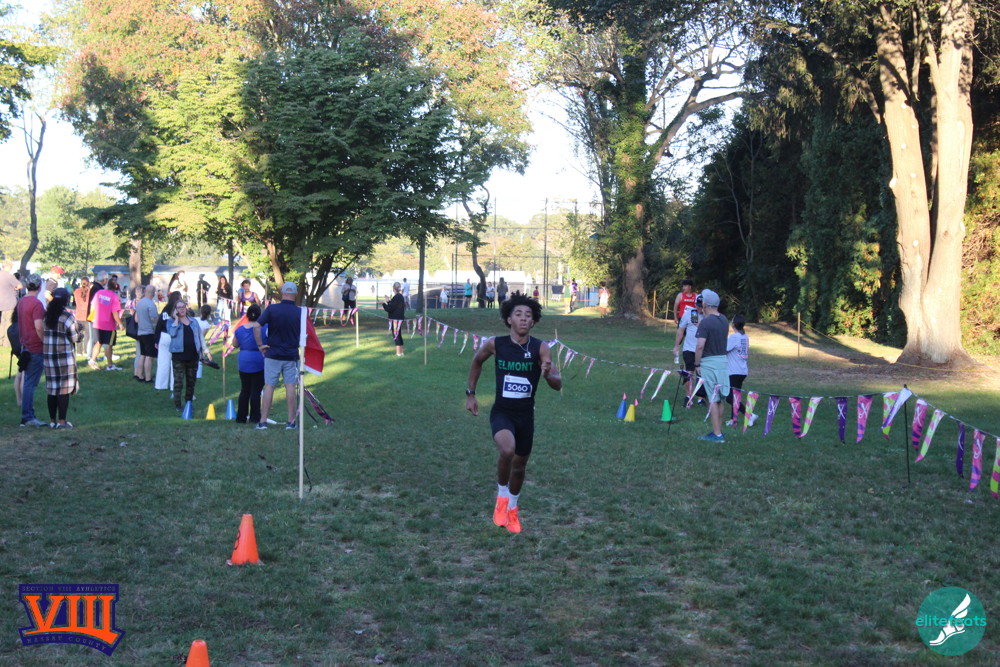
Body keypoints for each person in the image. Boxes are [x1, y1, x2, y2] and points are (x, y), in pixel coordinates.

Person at [465, 293, 562, 534]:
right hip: (502, 412)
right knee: (507, 450)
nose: (523, 318)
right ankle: (501, 497)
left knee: (519, 467)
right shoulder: (495, 344)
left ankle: (513, 508)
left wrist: (547, 373)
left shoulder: (541, 348)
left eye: (528, 315)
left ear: (533, 321)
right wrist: (471, 394)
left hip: (525, 416)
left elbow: (558, 383)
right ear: (509, 319)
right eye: (518, 314)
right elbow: (476, 362)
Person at [253, 281, 302, 430]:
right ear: (295, 294)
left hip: (273, 354)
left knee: (269, 386)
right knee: (290, 386)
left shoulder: (272, 309)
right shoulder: (300, 312)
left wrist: (260, 345)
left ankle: (263, 421)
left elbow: (256, 326)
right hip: (291, 355)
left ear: (282, 293)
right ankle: (291, 421)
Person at [694, 289, 730, 442]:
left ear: (705, 304)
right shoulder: (724, 320)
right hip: (723, 361)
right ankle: (719, 431)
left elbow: (700, 346)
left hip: (709, 362)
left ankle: (717, 434)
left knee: (713, 398)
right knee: (721, 397)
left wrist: (697, 364)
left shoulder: (706, 322)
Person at [42, 288, 78, 428]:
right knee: (64, 389)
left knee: (52, 389)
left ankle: (52, 421)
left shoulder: (46, 316)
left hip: (49, 357)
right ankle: (62, 422)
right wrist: (80, 332)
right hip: (64, 358)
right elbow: (74, 337)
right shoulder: (67, 316)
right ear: (65, 300)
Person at [16, 274, 47, 426]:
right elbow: (39, 327)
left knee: (28, 381)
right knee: (30, 384)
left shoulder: (21, 302)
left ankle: (28, 414)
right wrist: (45, 342)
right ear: (40, 287)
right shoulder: (37, 304)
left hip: (25, 345)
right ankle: (28, 416)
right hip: (35, 346)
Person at [168, 300, 209, 412]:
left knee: (191, 382)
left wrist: (205, 350)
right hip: (179, 357)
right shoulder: (171, 322)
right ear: (175, 310)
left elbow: (200, 337)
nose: (181, 309)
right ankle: (178, 405)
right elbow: (172, 333)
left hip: (193, 356)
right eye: (179, 307)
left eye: (183, 307)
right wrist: (176, 320)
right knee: (178, 382)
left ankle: (189, 403)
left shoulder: (193, 321)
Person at [232, 303, 267, 424]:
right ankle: (255, 417)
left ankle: (241, 417)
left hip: (244, 360)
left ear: (247, 315)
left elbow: (235, 344)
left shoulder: (240, 329)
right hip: (258, 359)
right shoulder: (264, 328)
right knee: (256, 391)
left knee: (245, 390)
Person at [725, 314, 758, 428]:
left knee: (730, 398)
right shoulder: (745, 337)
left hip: (734, 371)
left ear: (733, 324)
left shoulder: (734, 337)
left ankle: (750, 415)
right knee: (736, 396)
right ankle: (733, 419)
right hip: (742, 370)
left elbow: (724, 350)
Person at [673, 294, 704, 404]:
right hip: (689, 349)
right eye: (698, 305)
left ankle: (701, 398)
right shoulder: (690, 313)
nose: (700, 308)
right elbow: (681, 330)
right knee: (689, 373)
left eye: (702, 306)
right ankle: (688, 396)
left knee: (702, 374)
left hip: (703, 350)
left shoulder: (708, 316)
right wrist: (677, 346)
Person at [88, 277, 124, 371]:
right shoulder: (114, 297)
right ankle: (110, 365)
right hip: (109, 325)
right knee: (109, 345)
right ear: (116, 287)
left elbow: (93, 306)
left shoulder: (99, 293)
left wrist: (93, 317)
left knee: (98, 343)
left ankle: (92, 360)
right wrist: (120, 324)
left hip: (97, 323)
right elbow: (115, 312)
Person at [154, 291, 183, 391]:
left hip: (164, 335)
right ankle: (173, 385)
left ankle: (160, 385)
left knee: (162, 361)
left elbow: (159, 325)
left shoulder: (165, 310)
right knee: (175, 362)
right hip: (175, 335)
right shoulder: (179, 309)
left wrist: (156, 340)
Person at [135, 284, 160, 383]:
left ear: (145, 292)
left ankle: (139, 375)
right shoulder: (151, 304)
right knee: (149, 356)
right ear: (153, 293)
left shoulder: (139, 303)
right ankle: (148, 377)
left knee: (143, 354)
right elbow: (154, 320)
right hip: (149, 332)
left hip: (140, 331)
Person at [0, 258, 22, 348]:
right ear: (9, 267)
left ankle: (0, 340)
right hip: (9, 302)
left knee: (2, 322)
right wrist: (15, 288)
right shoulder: (9, 276)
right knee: (9, 322)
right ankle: (7, 342)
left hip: (1, 302)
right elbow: (20, 285)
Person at [382, 282, 406, 356]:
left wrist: (383, 304)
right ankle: (401, 352)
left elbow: (390, 309)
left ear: (394, 288)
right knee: (398, 334)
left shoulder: (397, 297)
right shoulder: (400, 296)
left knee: (396, 335)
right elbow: (393, 306)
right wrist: (388, 301)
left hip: (395, 319)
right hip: (399, 318)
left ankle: (398, 353)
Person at [193, 304, 215, 379]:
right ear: (209, 314)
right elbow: (201, 337)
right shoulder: (206, 325)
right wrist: (207, 353)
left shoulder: (194, 319)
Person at [72, 276, 92, 357]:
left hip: (78, 316)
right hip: (87, 316)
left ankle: (79, 351)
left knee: (79, 334)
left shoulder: (76, 291)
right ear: (88, 283)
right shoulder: (90, 292)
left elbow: (75, 301)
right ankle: (87, 351)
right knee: (88, 335)